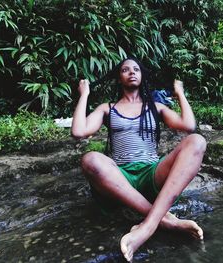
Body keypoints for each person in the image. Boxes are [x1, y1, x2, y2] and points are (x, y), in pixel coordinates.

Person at [71, 57, 206, 262]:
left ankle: (146, 227)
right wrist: (85, 95)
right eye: (125, 70)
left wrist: (180, 94)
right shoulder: (108, 108)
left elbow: (188, 126)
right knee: (90, 159)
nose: (132, 72)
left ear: (142, 76)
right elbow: (79, 131)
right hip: (121, 179)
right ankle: (166, 220)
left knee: (196, 142)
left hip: (152, 173)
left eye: (136, 69)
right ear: (119, 78)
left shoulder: (156, 107)